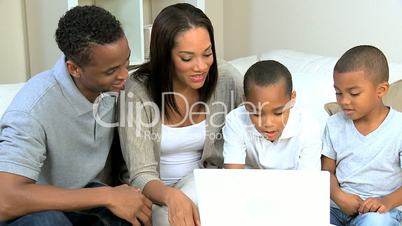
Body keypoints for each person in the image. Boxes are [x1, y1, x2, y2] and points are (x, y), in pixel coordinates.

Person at [0, 5, 152, 226]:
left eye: (126, 63)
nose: (123, 75)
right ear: (74, 69)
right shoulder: (31, 110)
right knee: (48, 221)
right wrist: (107, 195)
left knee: (131, 211)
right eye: (111, 71)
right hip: (29, 214)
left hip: (82, 201)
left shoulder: (114, 90)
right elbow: (6, 199)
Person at [118, 3, 243, 226]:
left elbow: (255, 126)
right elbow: (140, 173)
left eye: (207, 53)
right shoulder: (137, 90)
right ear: (164, 57)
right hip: (156, 194)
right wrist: (172, 196)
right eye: (187, 58)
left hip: (207, 186)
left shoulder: (226, 78)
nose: (201, 66)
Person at [321, 45, 402, 226]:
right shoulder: (334, 124)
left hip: (380, 212)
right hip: (336, 207)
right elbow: (327, 171)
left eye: (354, 93)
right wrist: (338, 196)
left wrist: (385, 202)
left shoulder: (399, 128)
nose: (344, 101)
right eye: (338, 93)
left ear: (381, 90)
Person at [222, 60, 322, 170]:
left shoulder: (309, 128)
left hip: (294, 186)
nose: (268, 123)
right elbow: (232, 176)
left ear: (292, 99)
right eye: (257, 114)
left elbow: (309, 183)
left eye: (278, 113)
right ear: (246, 104)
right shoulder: (236, 120)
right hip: (248, 186)